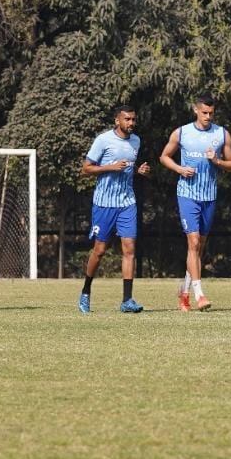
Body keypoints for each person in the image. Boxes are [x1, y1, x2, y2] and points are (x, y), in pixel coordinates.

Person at [159, 94, 231, 311]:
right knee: (193, 242)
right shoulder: (182, 132)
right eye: (204, 113)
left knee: (198, 247)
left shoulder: (221, 134)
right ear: (196, 110)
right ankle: (200, 295)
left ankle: (184, 293)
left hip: (209, 196)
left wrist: (217, 161)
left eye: (211, 113)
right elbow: (164, 156)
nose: (208, 116)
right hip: (187, 195)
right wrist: (179, 169)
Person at [78, 105, 151, 314]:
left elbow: (127, 167)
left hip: (127, 203)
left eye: (133, 119)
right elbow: (85, 170)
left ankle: (127, 300)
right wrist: (110, 166)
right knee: (100, 251)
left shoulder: (136, 141)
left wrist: (139, 171)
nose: (131, 123)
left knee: (129, 249)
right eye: (127, 119)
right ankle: (85, 292)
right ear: (117, 121)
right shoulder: (103, 140)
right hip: (104, 204)